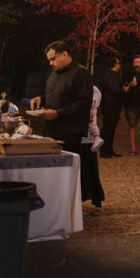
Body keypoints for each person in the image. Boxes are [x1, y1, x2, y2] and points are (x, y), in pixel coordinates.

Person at [31, 40, 104, 206]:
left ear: (65, 54)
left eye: (53, 59)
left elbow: (84, 103)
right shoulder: (54, 73)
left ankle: (70, 208)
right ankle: (54, 205)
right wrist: (41, 99)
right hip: (51, 130)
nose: (50, 63)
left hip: (71, 132)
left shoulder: (81, 73)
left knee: (67, 175)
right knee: (52, 173)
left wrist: (58, 113)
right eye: (49, 60)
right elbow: (58, 95)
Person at [98, 56, 127, 158]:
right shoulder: (109, 76)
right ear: (115, 65)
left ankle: (109, 150)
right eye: (118, 63)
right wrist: (124, 90)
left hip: (113, 105)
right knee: (107, 129)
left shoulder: (113, 75)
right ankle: (104, 151)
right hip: (110, 105)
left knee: (111, 129)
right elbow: (114, 90)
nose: (119, 65)